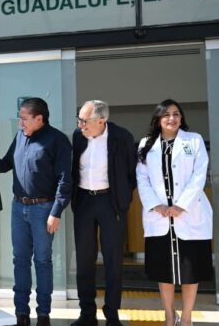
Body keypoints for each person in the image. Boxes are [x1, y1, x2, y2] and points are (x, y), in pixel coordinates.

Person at [0, 98, 72, 326]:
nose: (20, 123)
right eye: (20, 118)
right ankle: (21, 313)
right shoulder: (21, 136)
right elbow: (8, 160)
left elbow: (65, 180)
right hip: (19, 207)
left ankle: (43, 315)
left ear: (39, 119)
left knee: (42, 261)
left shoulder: (58, 141)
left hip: (44, 209)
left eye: (24, 119)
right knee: (20, 260)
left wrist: (56, 212)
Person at [136, 99, 213, 326]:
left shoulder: (194, 140)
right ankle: (170, 316)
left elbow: (199, 175)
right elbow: (142, 178)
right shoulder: (145, 145)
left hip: (189, 215)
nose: (172, 118)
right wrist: (155, 205)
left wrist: (182, 205)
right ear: (158, 120)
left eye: (176, 114)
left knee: (191, 271)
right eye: (166, 114)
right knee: (164, 272)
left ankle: (187, 318)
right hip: (159, 217)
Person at [71, 100, 137, 326]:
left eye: (84, 120)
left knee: (113, 260)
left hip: (111, 203)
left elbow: (131, 174)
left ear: (102, 120)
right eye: (78, 119)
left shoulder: (122, 138)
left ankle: (112, 314)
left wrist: (123, 200)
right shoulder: (78, 136)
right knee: (84, 260)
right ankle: (87, 313)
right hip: (84, 202)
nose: (80, 125)